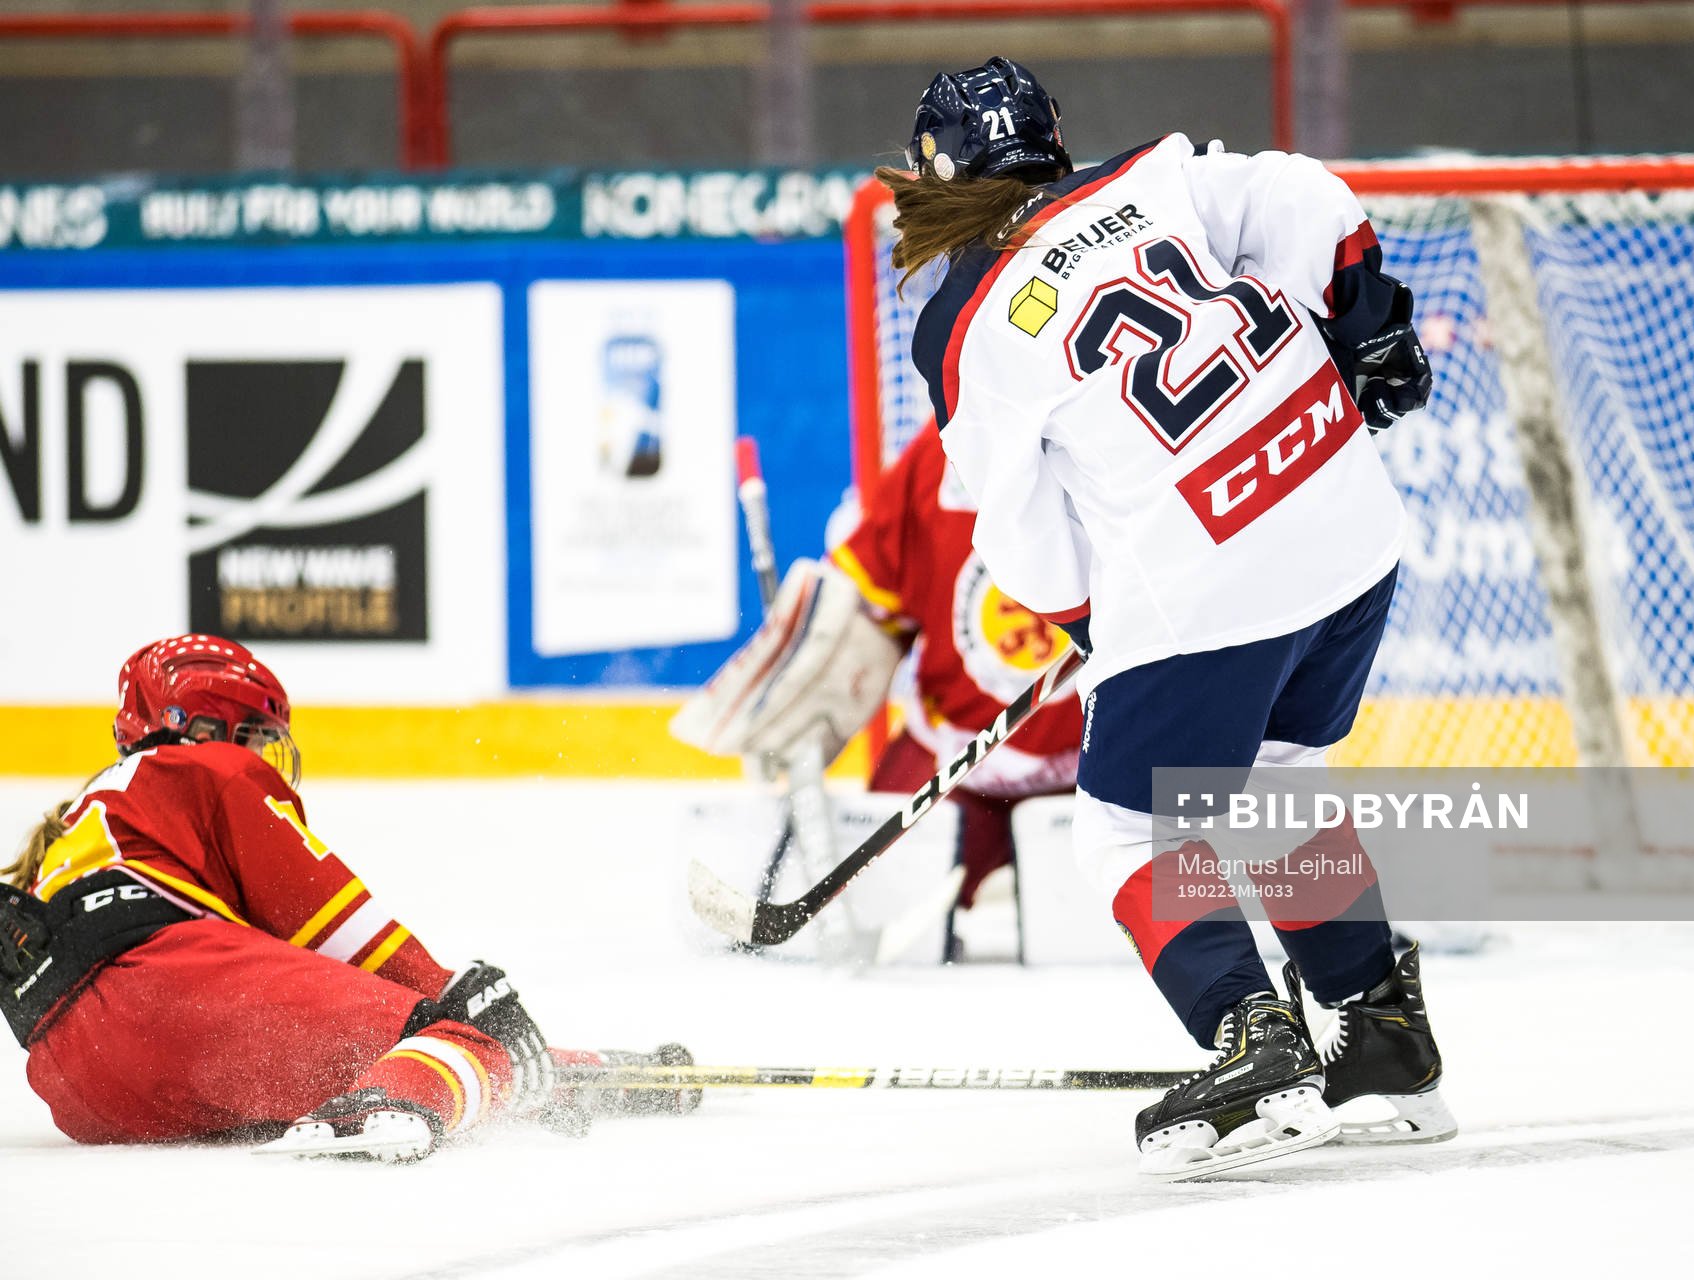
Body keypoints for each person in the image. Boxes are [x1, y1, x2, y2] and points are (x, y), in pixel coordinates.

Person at [883, 57, 1453, 1178]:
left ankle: (1255, 1039)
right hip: (1347, 517)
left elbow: (1015, 532)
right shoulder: (1157, 177)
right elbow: (1314, 201)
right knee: (1280, 776)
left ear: (936, 174)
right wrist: (1368, 317)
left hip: (1212, 578)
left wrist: (1089, 617)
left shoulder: (963, 320)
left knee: (1129, 828)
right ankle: (1380, 1031)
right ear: (1053, 136)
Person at [0, 634, 687, 1162]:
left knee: (395, 1049)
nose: (261, 755)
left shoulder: (91, 813)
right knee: (454, 1038)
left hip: (77, 1083)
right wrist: (453, 998)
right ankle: (398, 1104)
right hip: (163, 994)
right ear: (210, 728)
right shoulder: (206, 767)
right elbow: (329, 918)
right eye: (255, 736)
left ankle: (541, 1075)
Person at [672, 420, 1083, 955]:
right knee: (863, 906)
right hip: (958, 754)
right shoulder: (943, 451)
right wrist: (811, 680)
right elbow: (871, 595)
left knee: (1205, 912)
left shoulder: (1141, 453)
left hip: (1112, 760)